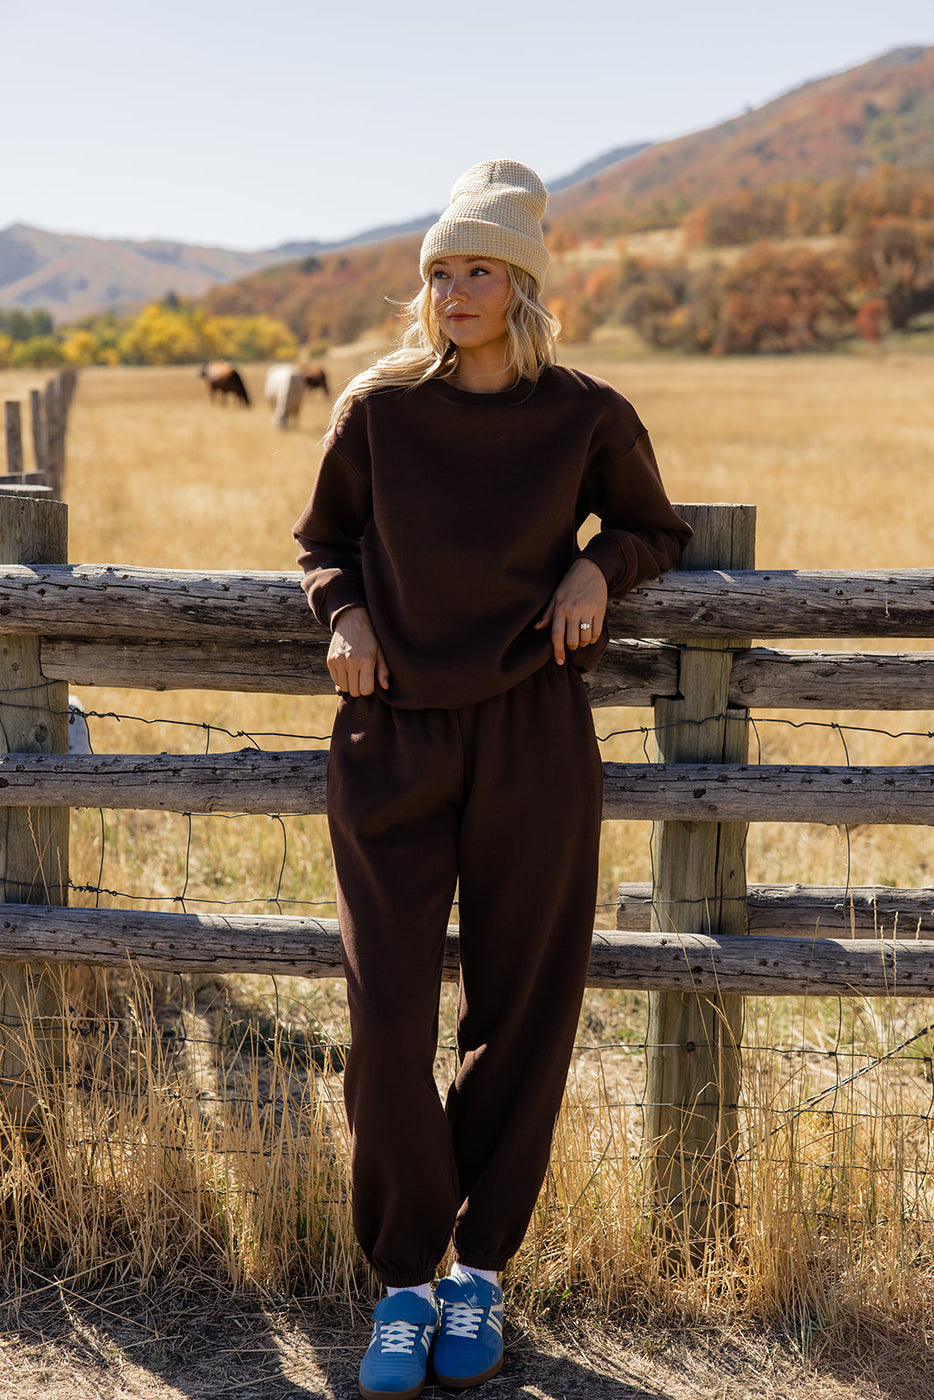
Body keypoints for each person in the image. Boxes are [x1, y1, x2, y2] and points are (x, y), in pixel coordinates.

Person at [292, 158, 691, 1399]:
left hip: (531, 730)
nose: (452, 291)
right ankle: (404, 1280)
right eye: (438, 271)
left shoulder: (583, 412)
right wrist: (345, 612)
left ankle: (478, 1270)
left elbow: (655, 528)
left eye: (477, 270)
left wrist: (596, 570)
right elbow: (321, 544)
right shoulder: (378, 410)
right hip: (391, 735)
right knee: (386, 1016)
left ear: (521, 284)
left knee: (525, 1008)